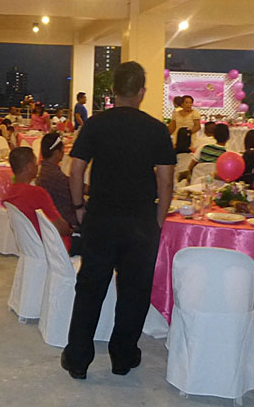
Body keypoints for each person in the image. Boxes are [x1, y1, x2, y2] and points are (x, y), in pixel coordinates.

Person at [61, 61, 175, 380]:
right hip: (140, 221)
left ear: (113, 90)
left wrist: (79, 207)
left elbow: (76, 170)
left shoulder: (95, 124)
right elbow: (166, 181)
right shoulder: (156, 129)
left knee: (90, 288)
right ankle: (123, 357)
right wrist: (158, 220)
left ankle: (78, 359)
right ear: (142, 91)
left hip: (100, 217)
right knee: (134, 291)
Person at [2, 146, 74, 253]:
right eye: (35, 162)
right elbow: (60, 228)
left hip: (29, 245)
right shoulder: (37, 193)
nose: (38, 165)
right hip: (53, 245)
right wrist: (71, 230)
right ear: (29, 167)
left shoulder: (9, 193)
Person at [36, 133, 81, 251]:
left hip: (52, 222)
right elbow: (74, 194)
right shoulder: (55, 176)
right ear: (56, 153)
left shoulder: (45, 171)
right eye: (62, 150)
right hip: (65, 224)